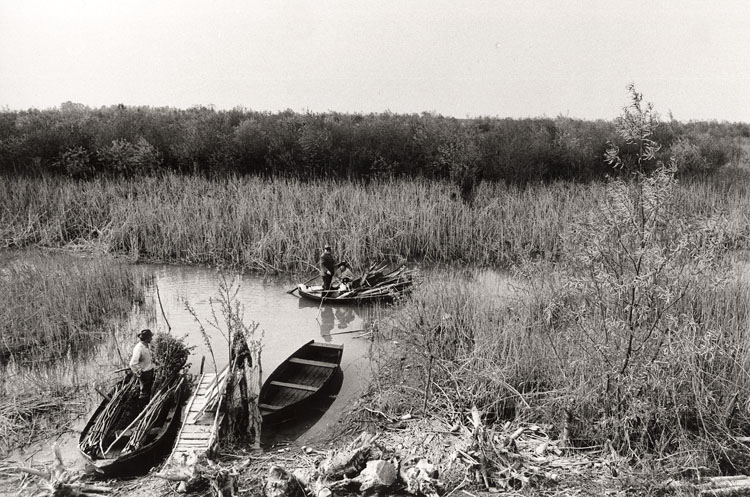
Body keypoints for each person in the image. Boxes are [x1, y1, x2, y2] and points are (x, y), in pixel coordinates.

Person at [129, 328, 155, 409]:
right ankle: (141, 408)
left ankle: (145, 405)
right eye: (150, 337)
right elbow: (132, 363)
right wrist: (139, 372)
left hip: (149, 371)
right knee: (144, 392)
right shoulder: (139, 348)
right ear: (146, 339)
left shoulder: (147, 345)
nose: (152, 338)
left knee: (148, 389)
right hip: (144, 373)